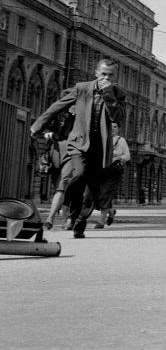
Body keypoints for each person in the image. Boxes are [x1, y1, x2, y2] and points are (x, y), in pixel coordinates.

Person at [30, 58, 126, 238]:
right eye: (103, 74)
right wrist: (38, 125)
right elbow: (58, 105)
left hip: (99, 147)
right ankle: (68, 207)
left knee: (90, 188)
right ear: (96, 73)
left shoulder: (118, 93)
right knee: (79, 175)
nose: (106, 77)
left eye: (111, 75)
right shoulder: (82, 88)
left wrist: (109, 96)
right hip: (78, 143)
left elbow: (118, 117)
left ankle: (78, 223)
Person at [83, 121, 130, 229]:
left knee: (106, 194)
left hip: (113, 172)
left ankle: (101, 221)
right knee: (93, 194)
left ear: (118, 129)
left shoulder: (121, 140)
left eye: (115, 126)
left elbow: (127, 156)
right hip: (100, 170)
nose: (112, 128)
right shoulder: (102, 139)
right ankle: (111, 211)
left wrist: (117, 158)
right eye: (110, 126)